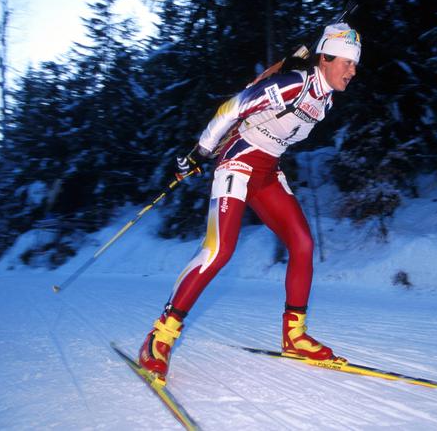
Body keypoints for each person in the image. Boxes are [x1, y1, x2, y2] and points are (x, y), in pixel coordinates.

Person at [139, 23, 361, 385]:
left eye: (355, 64)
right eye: (348, 62)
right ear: (326, 58)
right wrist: (200, 152)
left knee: (302, 244)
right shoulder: (294, 83)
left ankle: (294, 336)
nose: (352, 71)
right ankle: (159, 337)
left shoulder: (325, 96)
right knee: (219, 251)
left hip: (268, 171)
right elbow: (233, 108)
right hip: (238, 163)